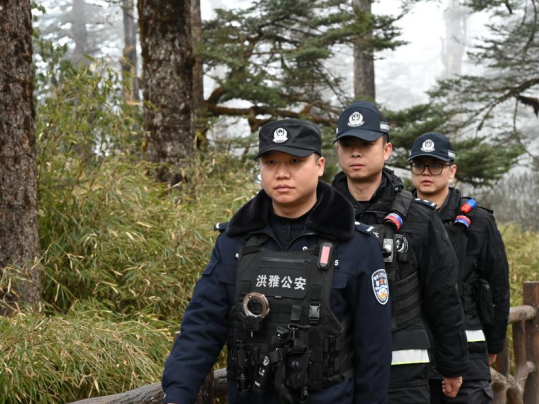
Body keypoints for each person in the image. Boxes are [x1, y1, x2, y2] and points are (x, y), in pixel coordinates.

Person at [162, 118, 392, 404]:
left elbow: (374, 349)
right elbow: (202, 328)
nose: (282, 173)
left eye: (295, 161)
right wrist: (177, 394)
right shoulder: (234, 243)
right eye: (270, 162)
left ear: (319, 166)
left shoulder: (356, 246)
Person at [332, 101, 469, 404]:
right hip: (332, 376)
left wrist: (452, 365)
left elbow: (443, 294)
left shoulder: (419, 218)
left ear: (387, 150)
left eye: (366, 144)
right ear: (337, 149)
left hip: (403, 376)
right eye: (348, 144)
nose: (356, 153)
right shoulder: (319, 215)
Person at [408, 132, 510, 404]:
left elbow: (498, 285)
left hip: (469, 353)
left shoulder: (478, 221)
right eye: (419, 165)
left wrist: (494, 343)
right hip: (411, 358)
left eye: (435, 165)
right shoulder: (398, 217)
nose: (426, 172)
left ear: (451, 171)